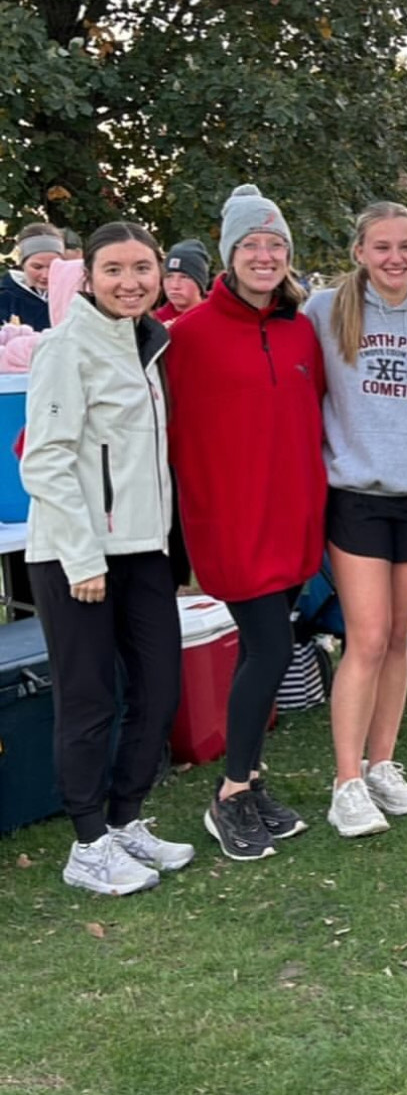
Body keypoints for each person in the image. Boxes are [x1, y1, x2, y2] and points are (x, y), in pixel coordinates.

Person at [21, 221, 191, 895]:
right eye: (115, 269)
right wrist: (83, 557)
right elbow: (48, 459)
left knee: (159, 690)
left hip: (144, 551)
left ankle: (125, 819)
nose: (131, 282)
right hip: (78, 558)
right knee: (89, 699)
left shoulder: (150, 344)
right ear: (87, 276)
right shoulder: (66, 347)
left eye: (142, 268)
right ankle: (87, 842)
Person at [166, 185, 327, 861]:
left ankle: (252, 778)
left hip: (294, 519)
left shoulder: (300, 329)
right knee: (267, 648)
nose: (265, 256)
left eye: (275, 245)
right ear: (229, 257)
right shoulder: (183, 336)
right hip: (231, 523)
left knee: (270, 646)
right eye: (251, 245)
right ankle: (231, 793)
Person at [304, 203, 407, 837]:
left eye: (406, 247)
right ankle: (347, 781)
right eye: (381, 247)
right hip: (357, 495)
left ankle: (383, 764)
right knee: (363, 638)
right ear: (359, 251)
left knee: (398, 638)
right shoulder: (325, 309)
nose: (395, 258)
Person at [1, 223, 65, 331]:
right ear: (23, 265)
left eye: (54, 266)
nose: (46, 275)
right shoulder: (5, 298)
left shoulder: (75, 296)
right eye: (37, 267)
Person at [155, 239, 212, 324]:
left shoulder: (223, 313)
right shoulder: (154, 323)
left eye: (184, 277)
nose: (174, 285)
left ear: (200, 282)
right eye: (169, 276)